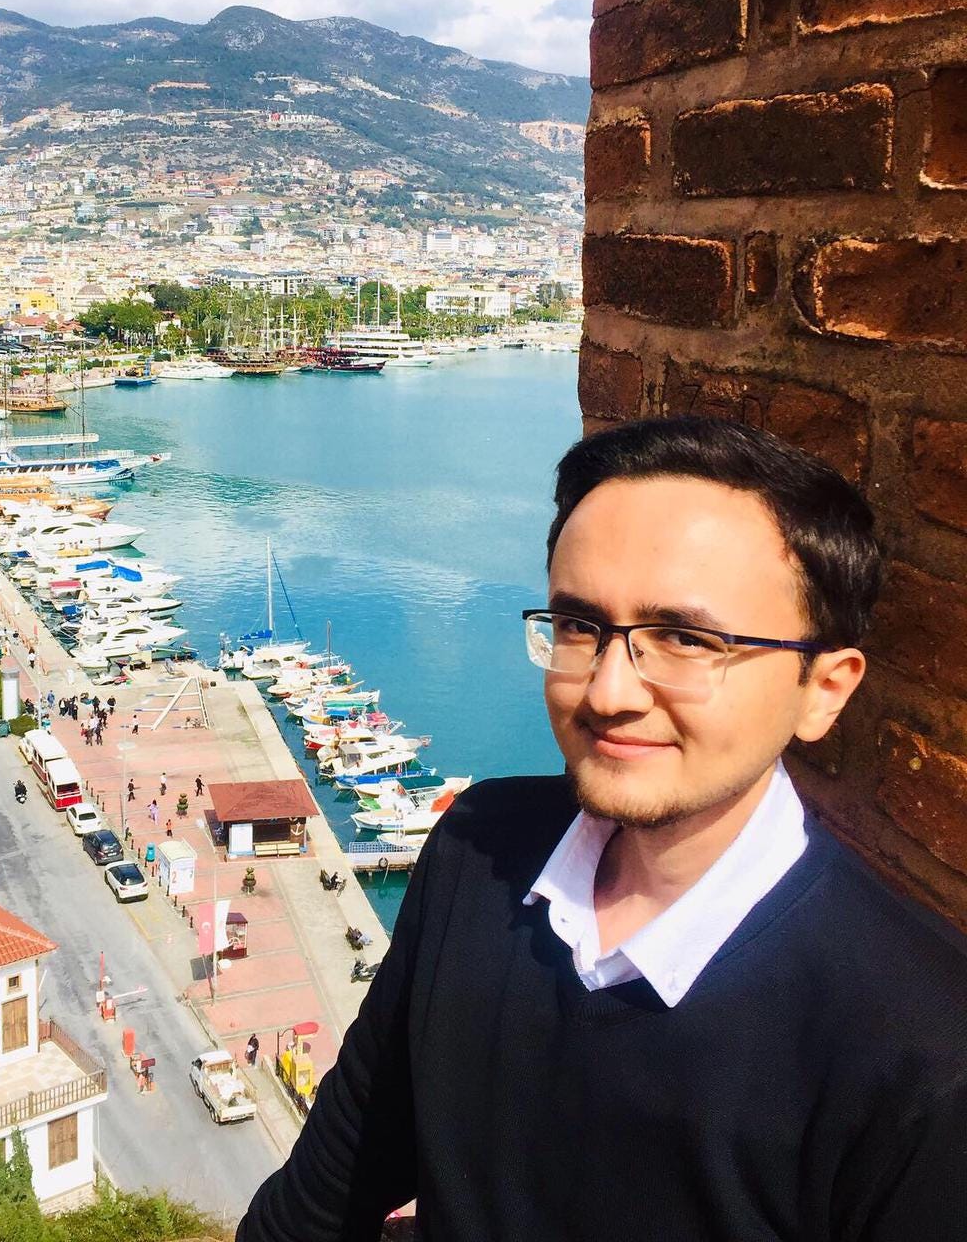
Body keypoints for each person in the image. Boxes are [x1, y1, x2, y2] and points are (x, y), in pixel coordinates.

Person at [237, 416, 967, 1242]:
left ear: (823, 690)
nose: (608, 692)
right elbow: (332, 1184)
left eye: (686, 638)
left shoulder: (926, 1051)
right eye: (581, 627)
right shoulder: (478, 847)